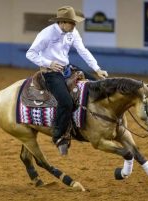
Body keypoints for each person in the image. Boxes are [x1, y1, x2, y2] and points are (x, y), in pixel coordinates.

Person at [26, 6, 108, 155]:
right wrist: (48, 63)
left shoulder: (72, 32)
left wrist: (97, 69)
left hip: (67, 68)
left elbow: (83, 50)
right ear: (62, 22)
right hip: (50, 73)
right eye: (72, 22)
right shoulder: (46, 34)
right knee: (66, 102)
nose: (75, 25)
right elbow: (30, 54)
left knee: (97, 86)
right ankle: (57, 134)